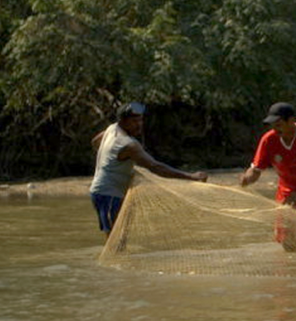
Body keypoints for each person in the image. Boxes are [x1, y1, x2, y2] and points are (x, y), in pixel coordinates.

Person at [89, 102, 208, 239]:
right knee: (115, 238)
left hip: (104, 193)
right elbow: (155, 167)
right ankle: (116, 261)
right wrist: (191, 177)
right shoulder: (129, 145)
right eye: (134, 121)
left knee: (120, 237)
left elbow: (95, 142)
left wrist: (109, 160)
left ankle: (121, 260)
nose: (139, 124)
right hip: (108, 195)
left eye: (140, 120)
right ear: (123, 122)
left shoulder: (112, 129)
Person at [240, 102, 296, 253]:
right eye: (272, 125)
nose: (275, 129)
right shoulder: (269, 140)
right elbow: (256, 170)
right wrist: (247, 178)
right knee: (286, 240)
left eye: (279, 124)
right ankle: (291, 272)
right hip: (286, 191)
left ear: (291, 121)